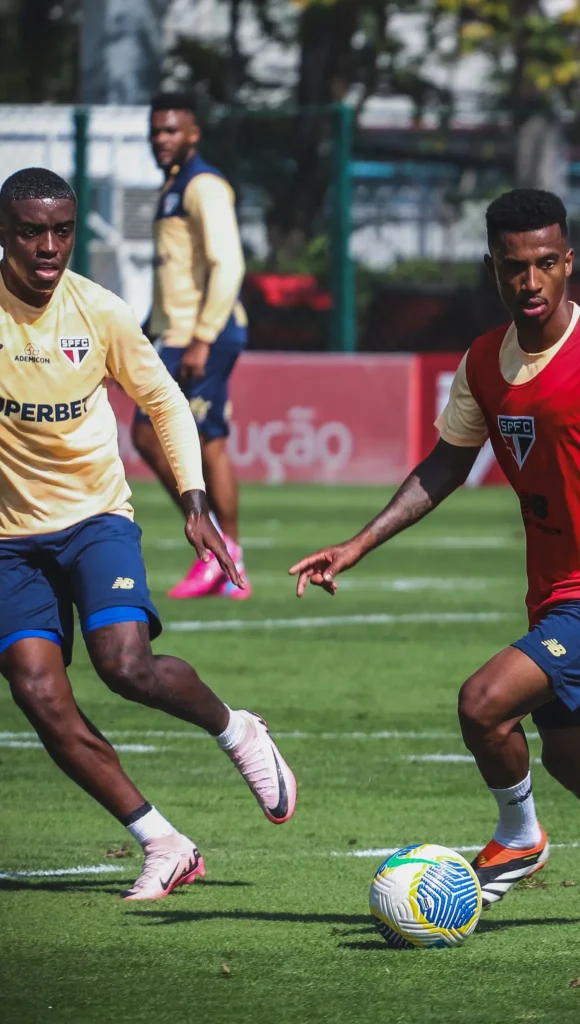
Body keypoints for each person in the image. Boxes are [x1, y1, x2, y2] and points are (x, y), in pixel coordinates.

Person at [289, 189, 580, 924]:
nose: (529, 283)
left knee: (483, 703)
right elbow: (444, 465)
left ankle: (519, 838)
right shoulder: (482, 363)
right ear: (491, 268)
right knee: (567, 756)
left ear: (568, 264)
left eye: (543, 265)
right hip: (560, 590)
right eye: (512, 267)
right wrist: (357, 544)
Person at [0, 168, 296, 901]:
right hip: (9, 542)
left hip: (95, 519)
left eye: (62, 230)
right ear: (5, 231)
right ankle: (162, 841)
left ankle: (238, 731)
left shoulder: (98, 312)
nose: (48, 246)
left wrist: (193, 501)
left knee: (125, 666)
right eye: (31, 230)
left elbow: (163, 400)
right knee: (38, 692)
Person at [131, 92, 250, 600]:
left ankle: (223, 551)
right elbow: (175, 275)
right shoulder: (173, 187)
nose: (161, 139)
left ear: (194, 133)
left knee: (190, 441)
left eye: (172, 130)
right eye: (156, 130)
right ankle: (221, 551)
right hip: (174, 333)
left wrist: (202, 336)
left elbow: (228, 263)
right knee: (182, 439)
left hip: (203, 334)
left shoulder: (203, 185)